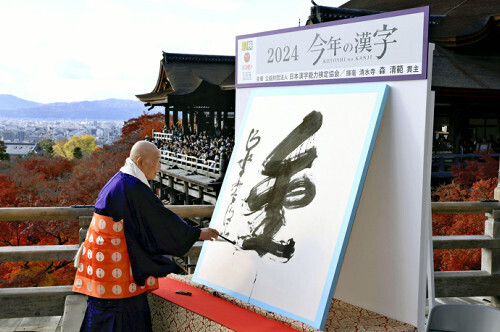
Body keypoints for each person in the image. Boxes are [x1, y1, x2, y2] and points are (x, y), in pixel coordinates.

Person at [72, 140, 219, 331]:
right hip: (117, 265)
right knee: (123, 313)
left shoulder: (121, 179)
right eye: (157, 161)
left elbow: (152, 219)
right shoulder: (132, 187)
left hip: (103, 260)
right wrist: (197, 233)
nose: (159, 166)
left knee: (104, 313)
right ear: (140, 162)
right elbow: (159, 221)